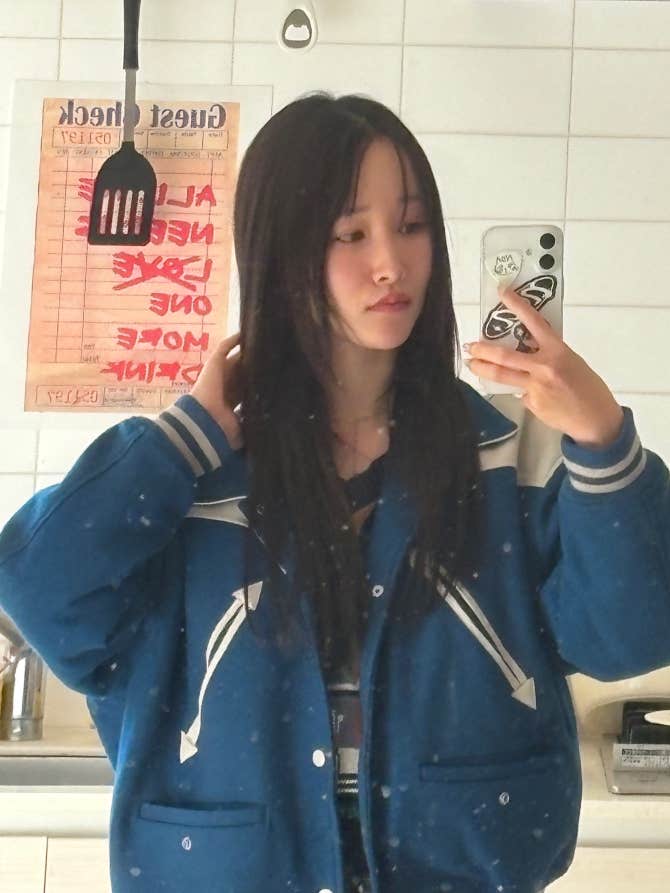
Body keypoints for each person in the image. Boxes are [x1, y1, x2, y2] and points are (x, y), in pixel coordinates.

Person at [0, 91, 669, 893]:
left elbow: (632, 635)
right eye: (351, 234)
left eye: (411, 226)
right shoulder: (191, 469)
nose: (391, 262)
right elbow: (41, 592)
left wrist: (603, 437)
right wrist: (179, 440)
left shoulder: (511, 451)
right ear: (283, 250)